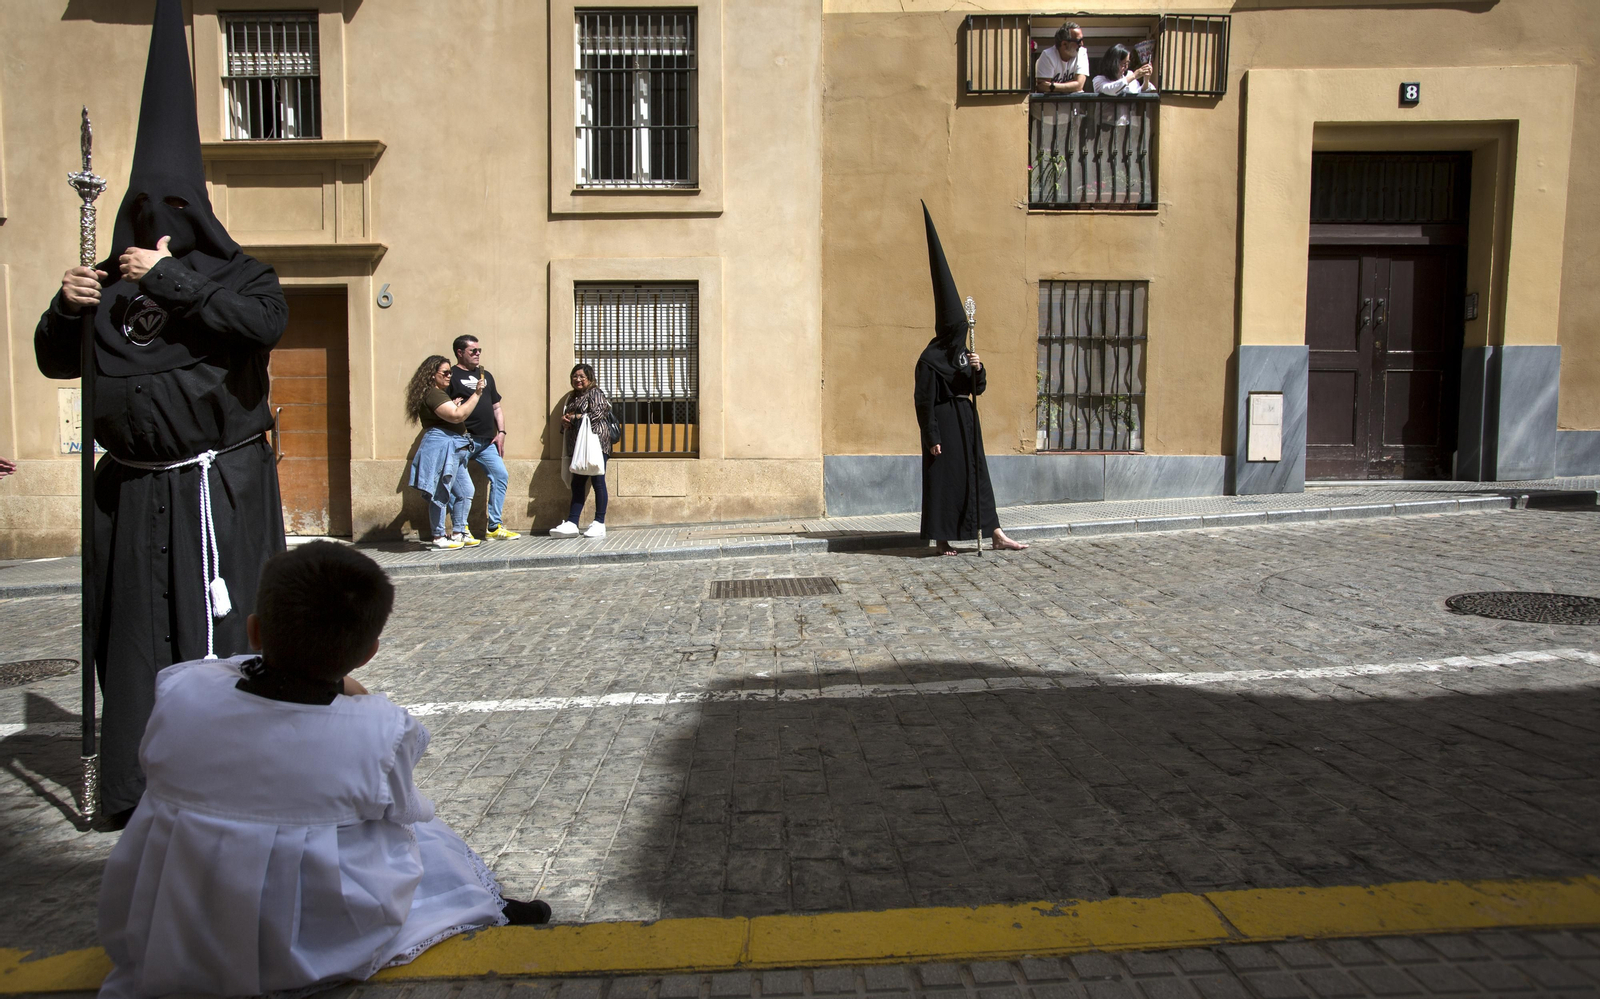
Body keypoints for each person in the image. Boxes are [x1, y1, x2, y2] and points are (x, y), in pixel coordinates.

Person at [34, 0, 288, 825]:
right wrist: (68, 308)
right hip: (133, 494)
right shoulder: (102, 289)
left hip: (222, 488)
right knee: (137, 643)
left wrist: (170, 276)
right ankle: (135, 791)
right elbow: (52, 360)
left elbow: (260, 326)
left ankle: (242, 778)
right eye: (142, 211)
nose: (151, 224)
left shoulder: (240, 275)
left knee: (230, 633)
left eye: (171, 210)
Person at [95, 542, 550, 999]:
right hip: (303, 941)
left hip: (185, 919)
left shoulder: (181, 689)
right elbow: (405, 809)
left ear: (253, 631)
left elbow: (230, 673)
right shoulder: (380, 731)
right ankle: (486, 907)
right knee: (430, 838)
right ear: (369, 652)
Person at [915, 204, 1028, 555]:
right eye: (957, 331)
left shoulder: (963, 354)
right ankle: (943, 538)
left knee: (977, 476)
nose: (962, 337)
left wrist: (978, 369)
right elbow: (923, 402)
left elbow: (976, 390)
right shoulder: (929, 360)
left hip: (966, 420)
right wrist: (931, 436)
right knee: (945, 482)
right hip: (944, 426)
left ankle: (994, 531)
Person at [406, 355, 485, 550]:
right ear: (432, 375)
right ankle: (439, 536)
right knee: (440, 492)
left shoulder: (438, 393)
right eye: (446, 372)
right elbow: (457, 416)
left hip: (454, 446)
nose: (450, 376)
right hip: (443, 445)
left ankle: (458, 532)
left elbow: (450, 415)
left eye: (451, 372)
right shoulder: (434, 394)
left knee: (466, 491)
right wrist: (477, 394)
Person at [448, 336, 519, 540]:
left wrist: (502, 433)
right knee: (458, 484)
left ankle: (494, 527)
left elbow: (496, 406)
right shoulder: (451, 375)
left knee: (500, 476)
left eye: (479, 350)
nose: (478, 353)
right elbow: (445, 406)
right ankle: (461, 528)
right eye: (473, 351)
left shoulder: (485, 375)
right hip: (462, 439)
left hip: (487, 441)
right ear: (460, 353)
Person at [550, 363, 614, 540]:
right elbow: (571, 420)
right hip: (578, 447)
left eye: (581, 376)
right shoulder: (572, 397)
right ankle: (572, 522)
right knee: (577, 483)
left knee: (598, 481)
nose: (577, 380)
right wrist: (565, 422)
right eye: (574, 376)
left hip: (596, 444)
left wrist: (574, 417)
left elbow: (597, 414)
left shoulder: (595, 393)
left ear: (590, 378)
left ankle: (599, 522)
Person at [1034, 23, 1089, 94]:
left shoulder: (1082, 52)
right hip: (1050, 104)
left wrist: (1052, 86)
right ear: (1064, 44)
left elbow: (1079, 85)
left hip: (1072, 104)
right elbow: (1042, 87)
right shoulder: (1048, 55)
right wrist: (1071, 85)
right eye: (1078, 41)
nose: (1082, 44)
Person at [1092, 43, 1156, 95]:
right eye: (1123, 64)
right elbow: (1111, 89)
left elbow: (1139, 91)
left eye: (1127, 63)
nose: (1126, 67)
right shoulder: (1099, 80)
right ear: (1113, 63)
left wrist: (1146, 79)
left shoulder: (1129, 75)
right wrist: (1134, 76)